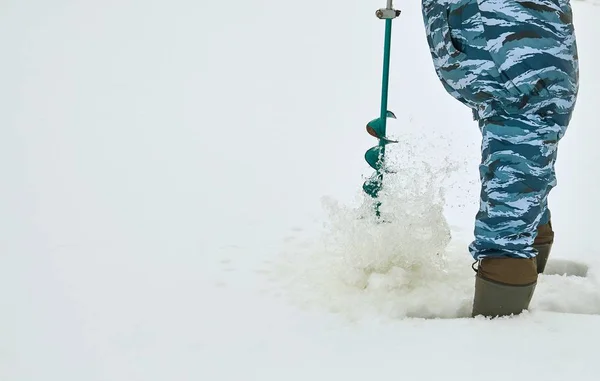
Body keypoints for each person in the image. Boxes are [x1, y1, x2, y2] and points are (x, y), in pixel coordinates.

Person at [421, 0, 579, 317]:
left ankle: (528, 235)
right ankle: (502, 310)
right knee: (532, 111)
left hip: (487, 18)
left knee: (525, 120)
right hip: (497, 16)